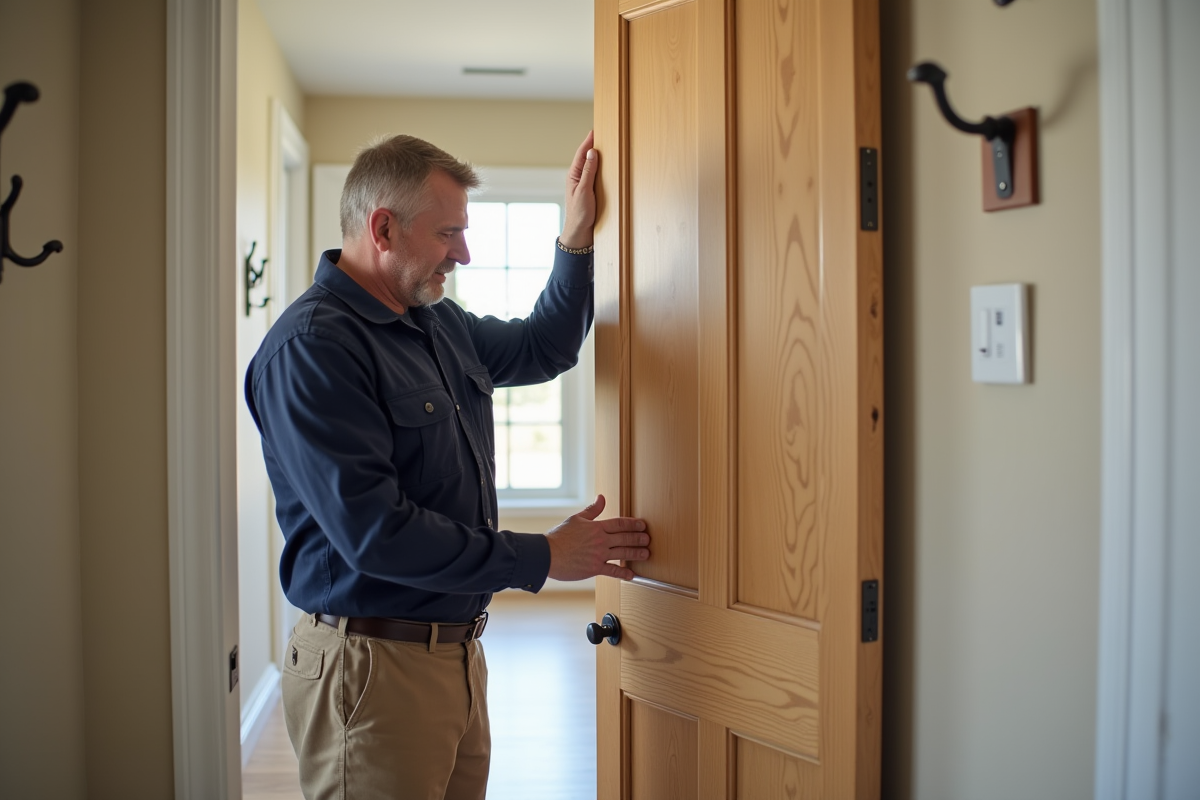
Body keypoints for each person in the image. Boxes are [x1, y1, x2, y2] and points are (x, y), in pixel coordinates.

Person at [244, 131, 650, 799]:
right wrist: (544, 555)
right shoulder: (313, 348)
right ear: (383, 228)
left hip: (456, 656)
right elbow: (375, 532)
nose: (463, 253)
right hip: (371, 667)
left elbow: (544, 346)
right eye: (448, 234)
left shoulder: (436, 324)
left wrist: (575, 238)